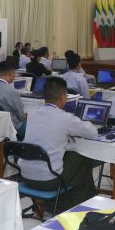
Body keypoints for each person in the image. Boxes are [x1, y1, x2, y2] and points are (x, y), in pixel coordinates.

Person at [20, 77, 98, 210]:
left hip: (26, 177)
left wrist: (66, 133)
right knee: (82, 155)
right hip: (50, 181)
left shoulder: (32, 114)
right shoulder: (65, 118)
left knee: (65, 156)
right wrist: (70, 131)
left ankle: (56, 204)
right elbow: (93, 132)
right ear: (63, 98)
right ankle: (79, 203)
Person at [0, 61, 26, 137]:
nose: (15, 76)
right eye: (14, 74)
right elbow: (21, 115)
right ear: (10, 74)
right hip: (9, 126)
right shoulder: (12, 91)